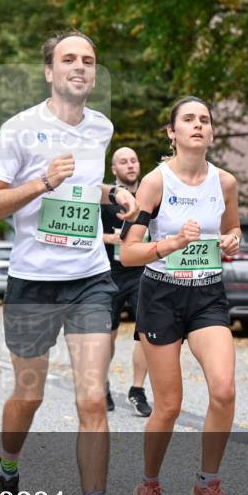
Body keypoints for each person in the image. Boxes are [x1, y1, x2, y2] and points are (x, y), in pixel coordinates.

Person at [0, 30, 138, 495]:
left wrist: (111, 194)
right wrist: (41, 180)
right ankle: (10, 469)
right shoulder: (18, 130)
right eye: (69, 58)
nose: (80, 67)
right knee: (30, 396)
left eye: (88, 60)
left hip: (90, 278)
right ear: (49, 72)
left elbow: (83, 189)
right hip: (33, 282)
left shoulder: (101, 128)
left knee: (92, 400)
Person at [119, 96, 242, 495]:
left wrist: (232, 241)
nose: (197, 125)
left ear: (211, 132)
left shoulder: (225, 182)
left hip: (207, 293)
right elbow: (129, 253)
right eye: (187, 120)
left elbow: (232, 229)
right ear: (171, 133)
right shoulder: (155, 182)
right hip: (161, 295)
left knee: (224, 390)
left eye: (204, 120)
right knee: (169, 405)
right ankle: (149, 484)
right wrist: (168, 244)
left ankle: (208, 484)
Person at [101, 147, 153, 417]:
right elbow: (84, 233)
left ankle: (137, 389)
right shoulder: (105, 198)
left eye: (134, 160)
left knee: (147, 329)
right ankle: (102, 384)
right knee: (106, 336)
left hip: (141, 273)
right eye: (123, 161)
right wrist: (108, 239)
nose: (130, 165)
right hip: (109, 272)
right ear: (114, 169)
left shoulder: (151, 194)